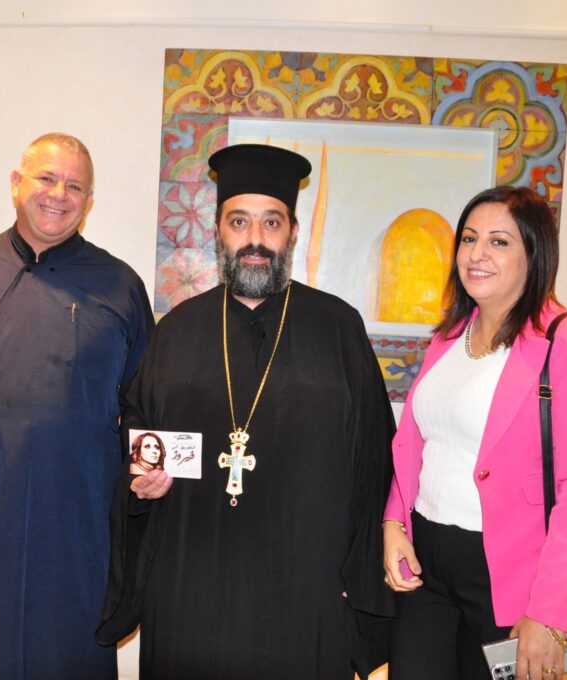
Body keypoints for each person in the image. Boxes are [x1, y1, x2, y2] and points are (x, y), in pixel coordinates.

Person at [97, 143, 396, 679]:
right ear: (218, 230)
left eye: (271, 222)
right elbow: (137, 443)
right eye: (239, 221)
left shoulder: (338, 329)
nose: (255, 239)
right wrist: (141, 488)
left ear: (293, 233)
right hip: (191, 587)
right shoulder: (177, 332)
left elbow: (376, 464)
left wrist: (361, 577)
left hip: (305, 591)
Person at [0, 132, 154, 679]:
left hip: (74, 514)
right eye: (46, 178)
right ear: (16, 183)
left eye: (75, 186)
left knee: (65, 644)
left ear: (89, 200)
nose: (59, 194)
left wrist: (151, 470)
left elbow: (145, 403)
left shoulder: (120, 286)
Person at [382, 186, 567, 680]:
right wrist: (394, 523)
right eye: (469, 239)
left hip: (509, 580)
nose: (477, 254)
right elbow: (417, 445)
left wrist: (550, 615)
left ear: (535, 253)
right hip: (426, 568)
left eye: (499, 242)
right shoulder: (449, 336)